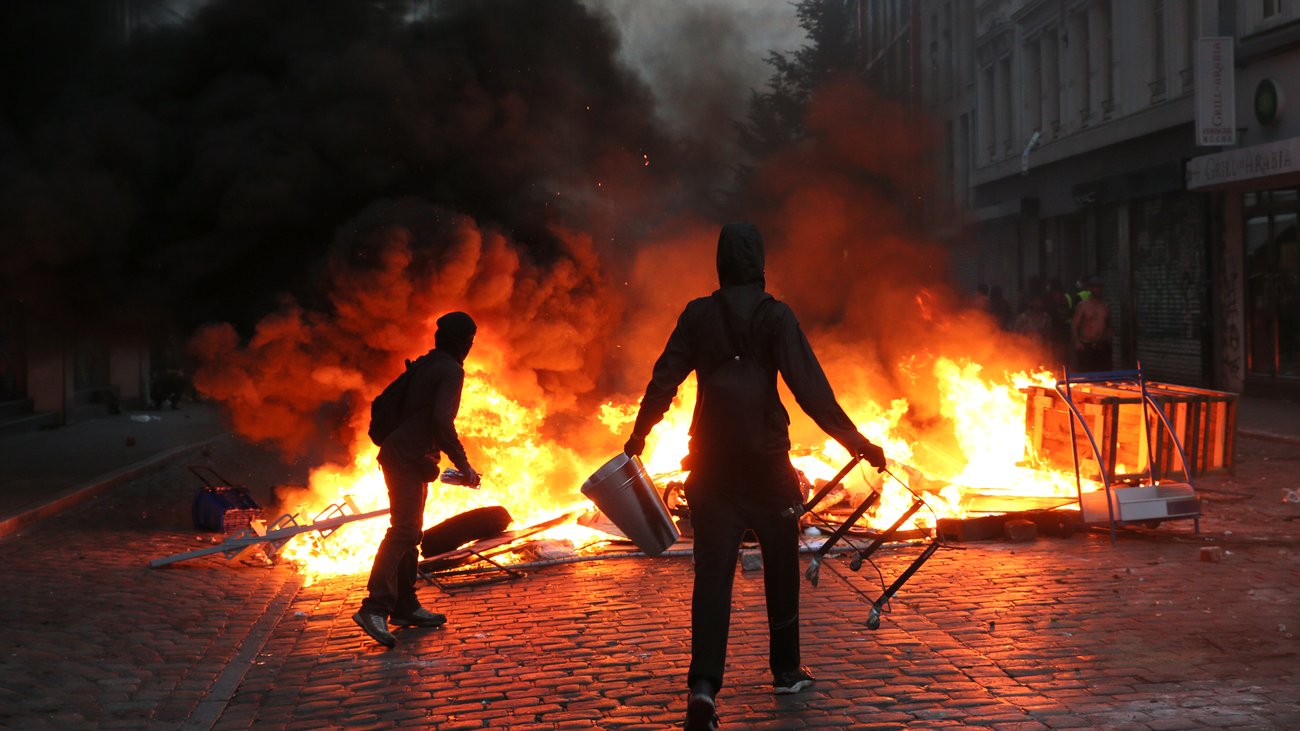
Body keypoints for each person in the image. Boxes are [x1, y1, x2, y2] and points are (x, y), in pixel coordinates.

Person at [622, 222, 887, 731]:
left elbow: (664, 380)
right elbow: (811, 391)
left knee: (712, 577)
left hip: (711, 468)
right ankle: (786, 670)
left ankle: (703, 687)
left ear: (720, 263)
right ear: (760, 263)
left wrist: (638, 439)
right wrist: (859, 443)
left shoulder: (698, 316)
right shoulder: (775, 317)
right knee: (782, 566)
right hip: (768, 466)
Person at [353, 311, 482, 648]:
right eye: (469, 340)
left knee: (412, 532)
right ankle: (375, 606)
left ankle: (405, 605)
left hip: (409, 456)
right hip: (406, 459)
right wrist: (464, 465)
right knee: (405, 531)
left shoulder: (429, 362)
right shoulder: (451, 369)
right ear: (463, 341)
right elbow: (442, 421)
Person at [1071, 277, 1112, 372]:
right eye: (1095, 287)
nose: (1098, 289)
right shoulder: (1083, 306)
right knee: (1086, 375)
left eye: (1100, 287)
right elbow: (1074, 325)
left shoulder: (1105, 306)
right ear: (1090, 288)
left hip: (1101, 346)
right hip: (1086, 346)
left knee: (1102, 375)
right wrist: (1077, 341)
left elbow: (1108, 326)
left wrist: (1108, 341)